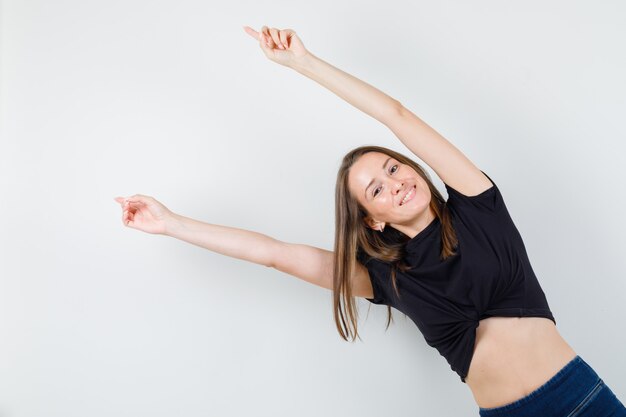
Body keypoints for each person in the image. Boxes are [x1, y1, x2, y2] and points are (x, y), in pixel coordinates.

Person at [114, 25, 626, 416]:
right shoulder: (385, 277)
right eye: (377, 188)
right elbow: (274, 254)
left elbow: (396, 116)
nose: (397, 180)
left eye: (394, 166)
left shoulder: (477, 202)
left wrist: (305, 63)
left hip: (580, 397)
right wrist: (174, 223)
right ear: (373, 221)